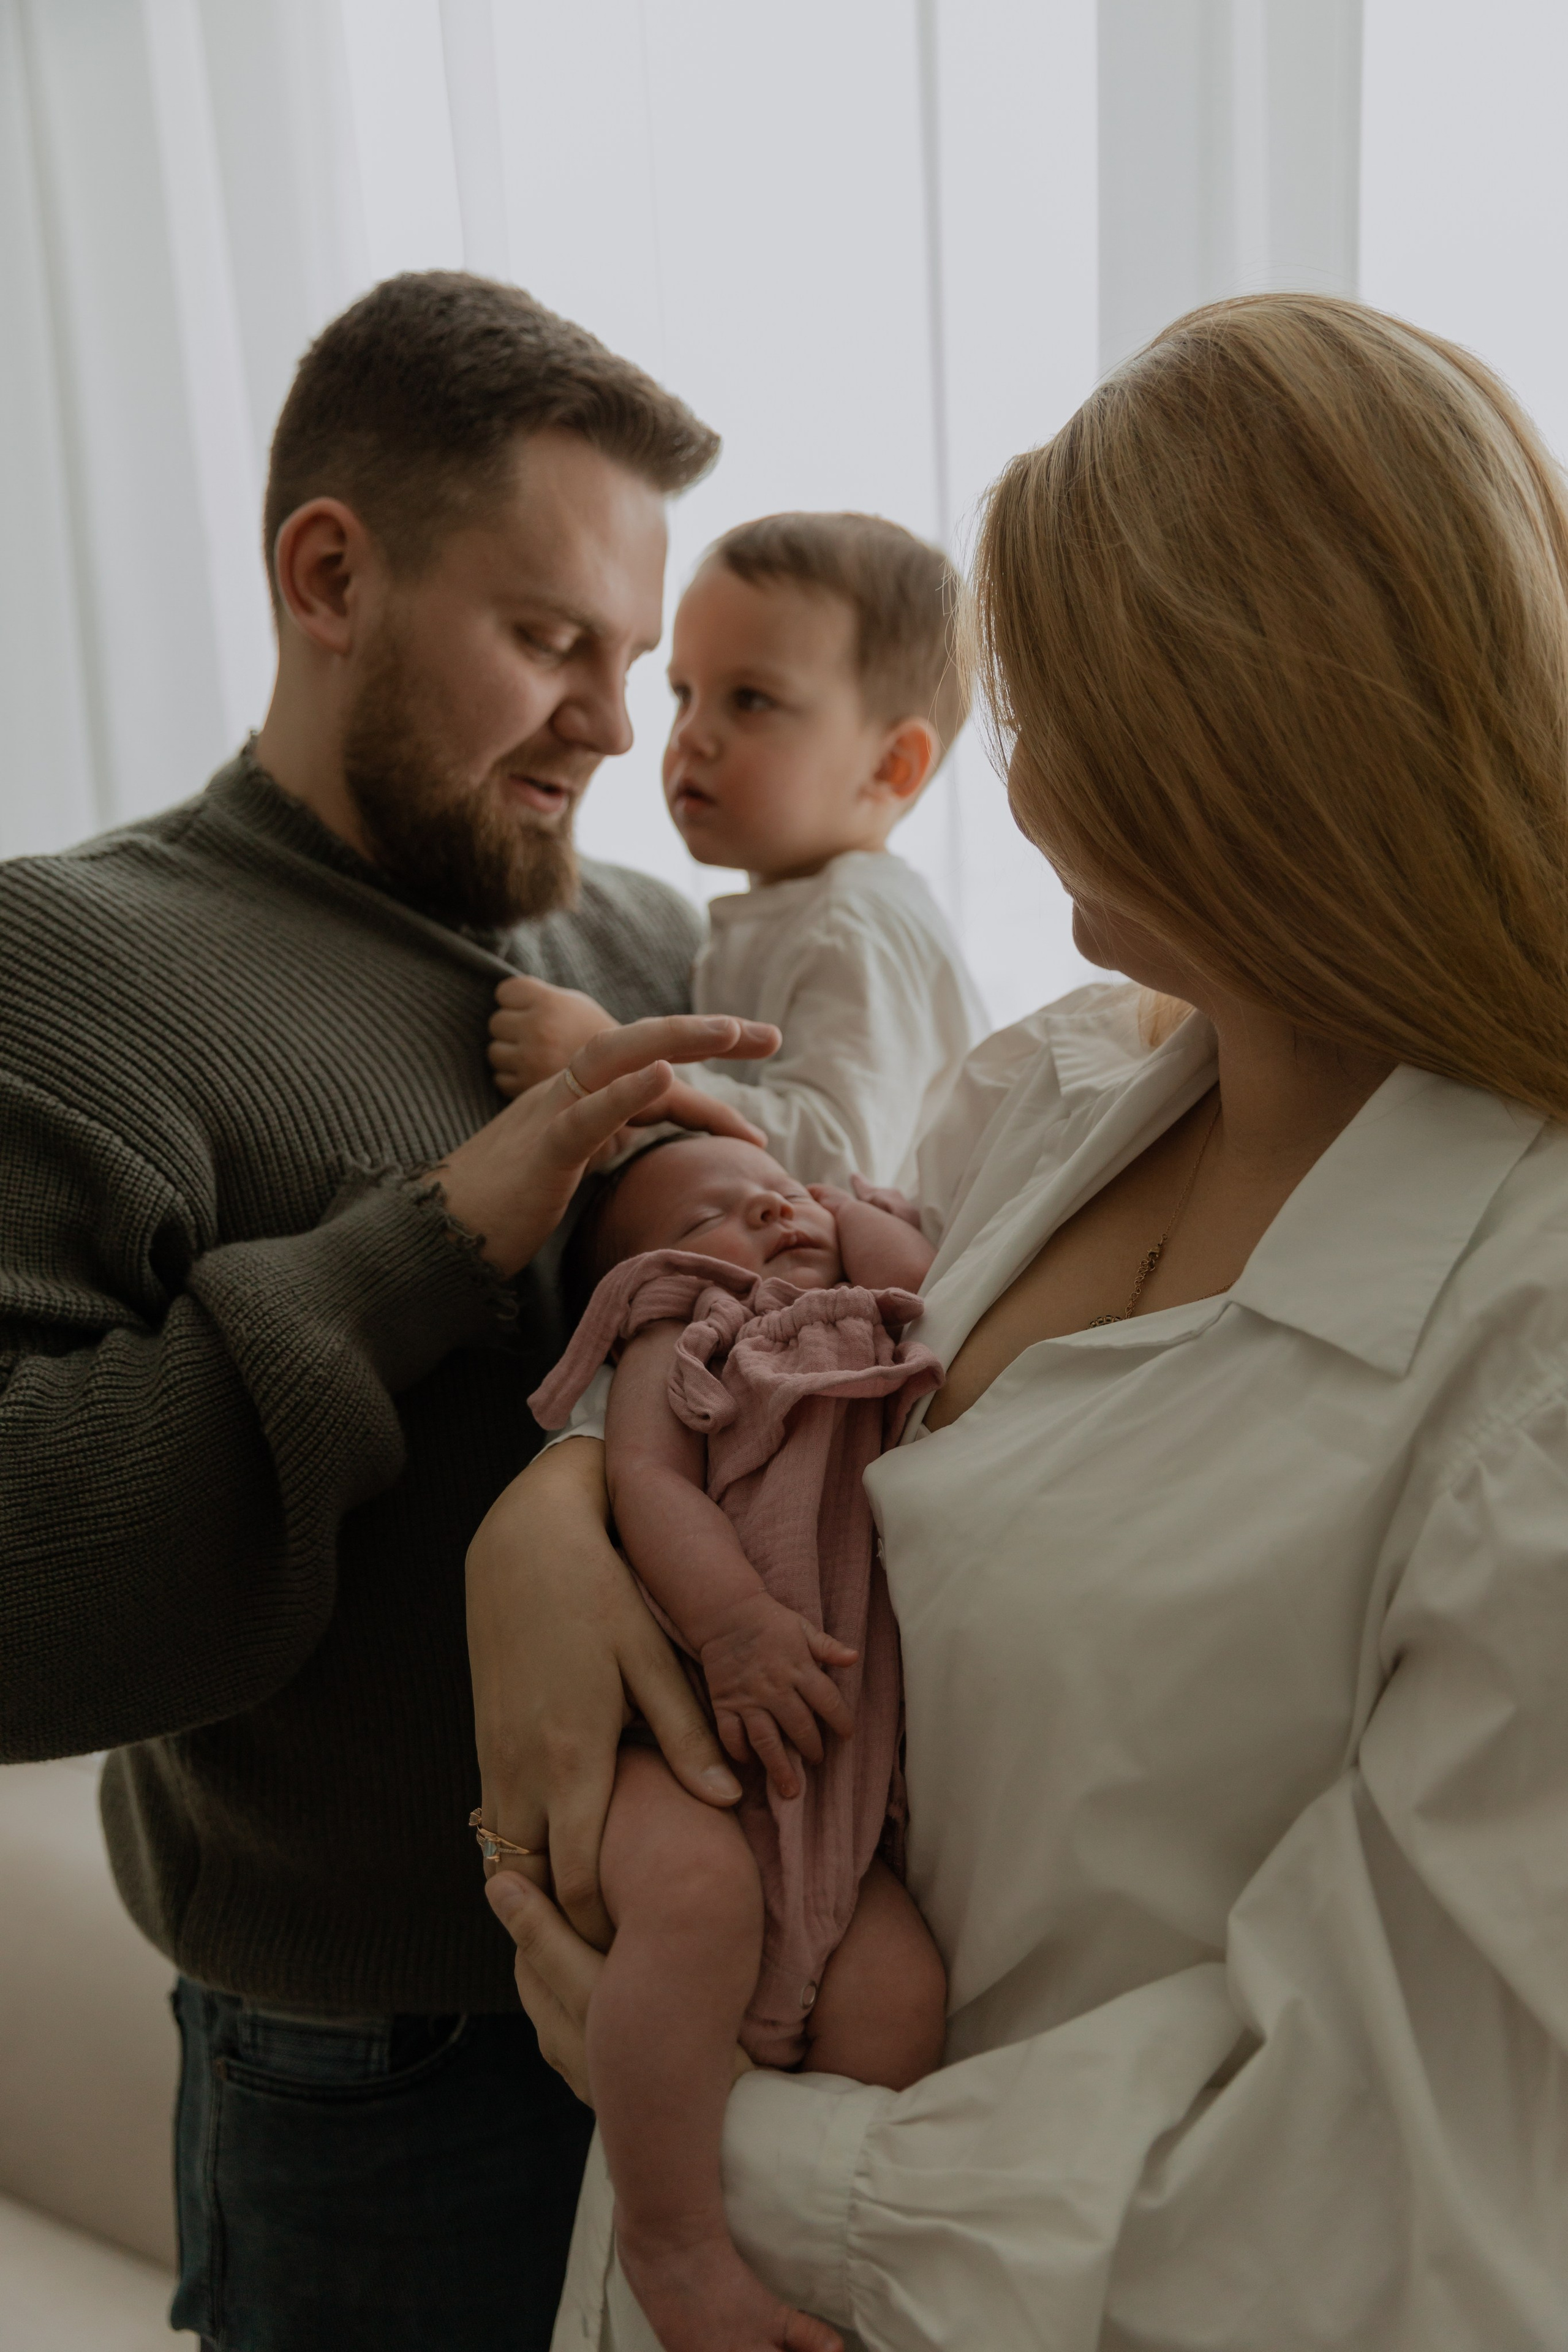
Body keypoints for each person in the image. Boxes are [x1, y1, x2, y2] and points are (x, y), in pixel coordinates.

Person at [470, 293, 1568, 2351]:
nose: (1016, 771)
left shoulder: (1528, 1358)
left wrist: (729, 2144)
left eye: (1055, 709)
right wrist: (562, 1495)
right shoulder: (1048, 1086)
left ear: (1247, 747)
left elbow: (1410, 2190)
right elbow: (784, 1334)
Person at [0, 270, 780, 2352]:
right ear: (330, 576)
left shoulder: (645, 940)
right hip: (381, 2099)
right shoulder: (69, 965)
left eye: (633, 661)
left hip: (738, 2029)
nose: (616, 725)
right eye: (550, 642)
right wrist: (430, 1244)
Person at [524, 1134, 944, 2352]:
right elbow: (650, 1485)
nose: (765, 1208)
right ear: (642, 1273)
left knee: (898, 1993)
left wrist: (839, 1209)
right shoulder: (686, 1328)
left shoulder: (868, 1312)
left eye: (780, 1190)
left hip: (834, 1801)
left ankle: (806, 2265)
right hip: (690, 1750)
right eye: (709, 1210)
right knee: (700, 1904)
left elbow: (933, 1289)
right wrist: (729, 1625)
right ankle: (671, 2242)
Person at [488, 513, 986, 1188]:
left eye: (750, 700)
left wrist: (622, 1076)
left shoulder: (856, 927)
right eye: (683, 695)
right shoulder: (796, 911)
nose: (690, 735)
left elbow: (841, 1161)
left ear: (890, 766)